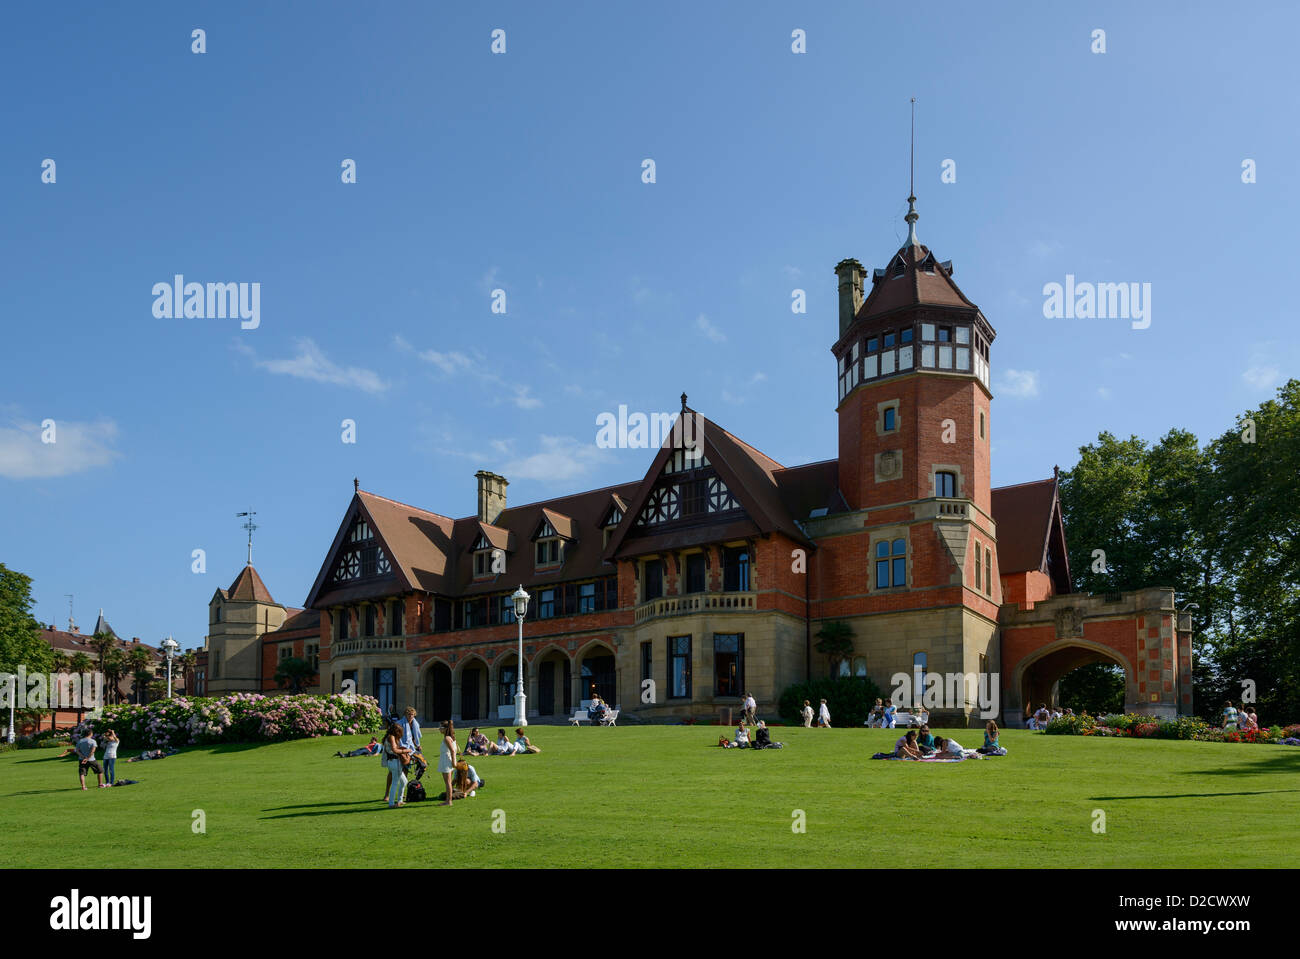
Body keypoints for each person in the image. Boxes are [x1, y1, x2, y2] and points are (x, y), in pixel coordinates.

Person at [382, 722, 412, 808]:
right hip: (395, 762)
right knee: (395, 782)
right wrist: (406, 751)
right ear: (396, 731)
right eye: (399, 731)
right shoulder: (391, 737)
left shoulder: (390, 736)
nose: (400, 733)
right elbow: (395, 750)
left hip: (392, 762)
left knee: (404, 781)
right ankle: (391, 804)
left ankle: (400, 800)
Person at [400, 707, 428, 781]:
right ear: (405, 715)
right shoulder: (400, 724)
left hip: (411, 748)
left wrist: (417, 745)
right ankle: (403, 786)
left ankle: (416, 781)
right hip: (402, 748)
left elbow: (412, 738)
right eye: (409, 714)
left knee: (423, 763)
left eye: (412, 714)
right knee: (405, 768)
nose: (411, 716)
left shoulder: (414, 724)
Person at [437, 720, 459, 806]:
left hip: (446, 761)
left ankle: (448, 801)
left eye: (441, 728)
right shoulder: (451, 737)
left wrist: (454, 762)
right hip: (447, 760)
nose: (439, 729)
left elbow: (453, 751)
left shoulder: (447, 738)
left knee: (448, 782)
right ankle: (448, 800)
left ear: (446, 729)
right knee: (448, 782)